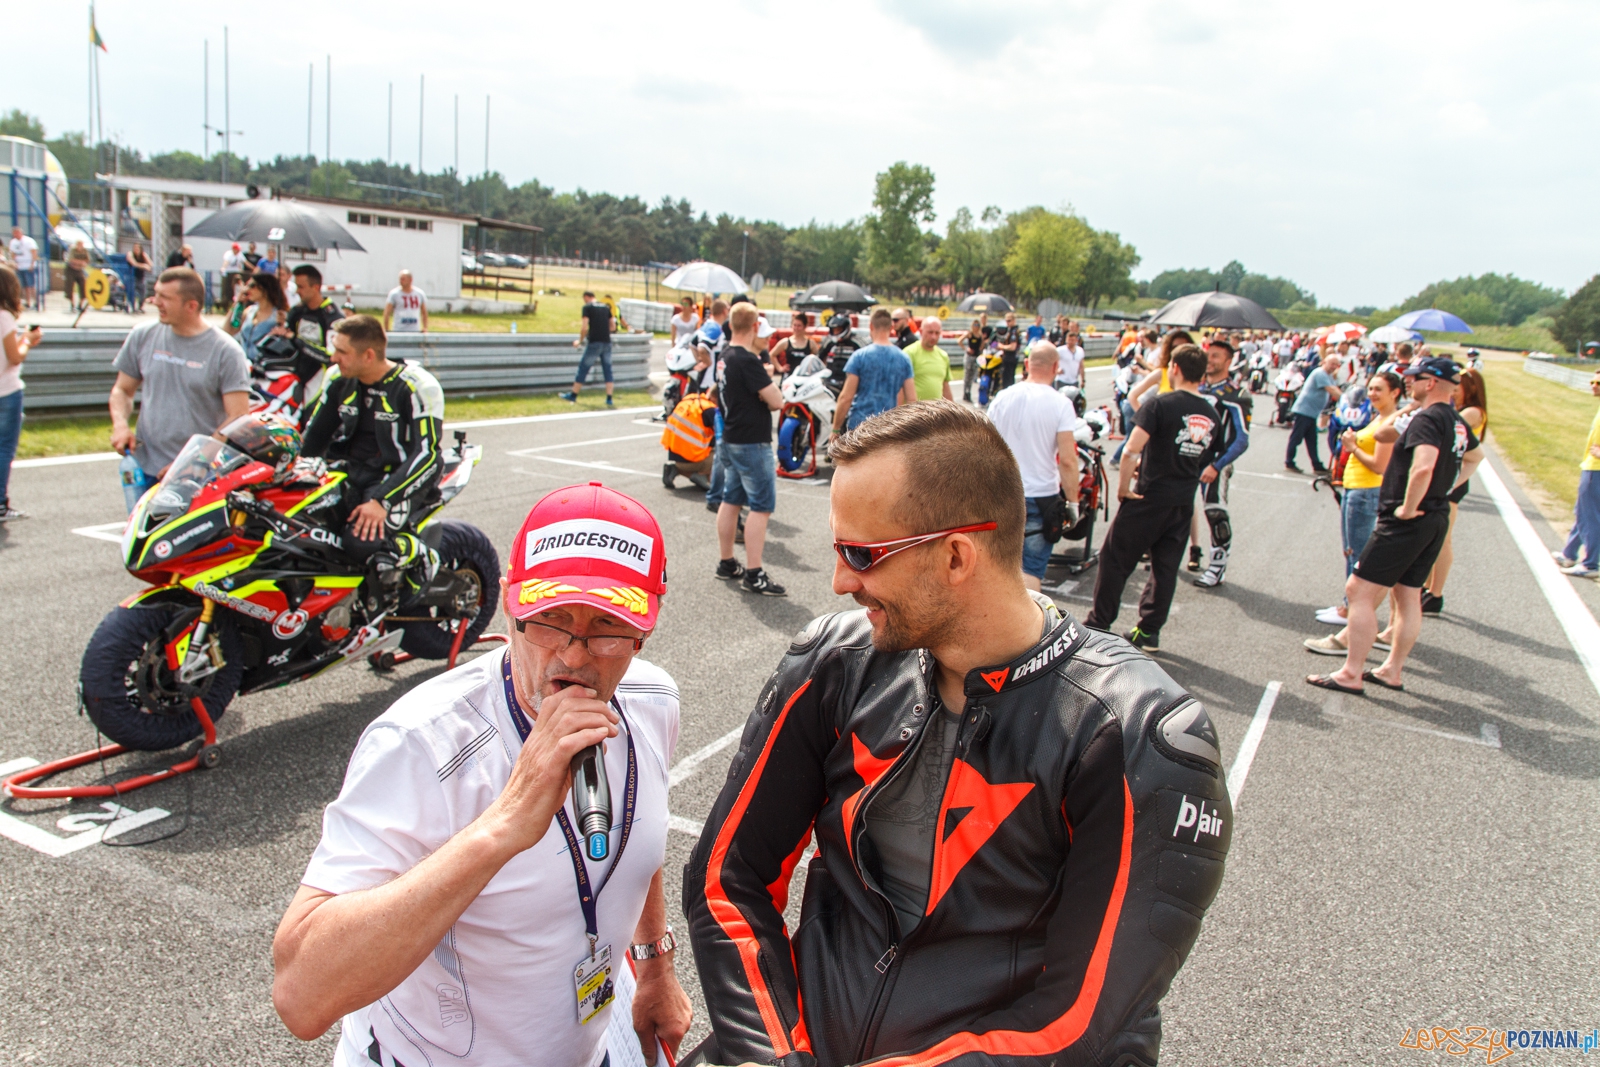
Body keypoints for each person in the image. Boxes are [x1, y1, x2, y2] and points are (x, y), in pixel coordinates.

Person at [682, 399, 1230, 1067]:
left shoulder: (1133, 732)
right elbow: (726, 876)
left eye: (862, 552)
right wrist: (771, 1055)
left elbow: (1083, 1024)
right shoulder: (837, 662)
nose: (838, 580)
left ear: (956, 556)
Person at [272, 483, 691, 1067]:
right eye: (548, 619)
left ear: (646, 626)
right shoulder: (420, 743)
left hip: (591, 1043)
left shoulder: (652, 699)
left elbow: (640, 844)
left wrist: (652, 967)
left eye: (608, 627)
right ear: (509, 604)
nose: (573, 655)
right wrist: (502, 826)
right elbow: (301, 994)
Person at [1307, 358, 1483, 695]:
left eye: (1415, 379)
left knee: (1359, 589)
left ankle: (1351, 672)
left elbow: (1422, 467)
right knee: (1408, 594)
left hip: (1407, 519)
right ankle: (1392, 669)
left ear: (1429, 383)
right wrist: (1443, 491)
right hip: (1436, 516)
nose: (1410, 384)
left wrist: (1408, 506)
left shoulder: (1429, 418)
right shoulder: (1455, 420)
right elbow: (1475, 458)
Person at [298, 316, 445, 602]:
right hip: (347, 472)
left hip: (394, 479)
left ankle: (421, 555)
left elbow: (427, 455)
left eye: (341, 351)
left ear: (368, 355)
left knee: (358, 544)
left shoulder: (416, 386)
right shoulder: (338, 378)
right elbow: (313, 437)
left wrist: (382, 501)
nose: (333, 357)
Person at [1084, 344, 1220, 652]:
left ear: (1175, 368)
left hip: (1149, 494)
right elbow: (1206, 456)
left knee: (1115, 558)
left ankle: (1098, 624)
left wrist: (1123, 486)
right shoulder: (1211, 413)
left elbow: (1131, 448)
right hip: (1183, 498)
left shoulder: (1160, 404)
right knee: (1165, 567)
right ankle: (1149, 630)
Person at [109, 268, 252, 500]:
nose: (156, 302)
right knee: (141, 536)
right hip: (145, 467)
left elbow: (237, 416)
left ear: (191, 306)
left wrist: (191, 463)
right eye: (156, 294)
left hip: (197, 476)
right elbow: (122, 390)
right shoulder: (142, 335)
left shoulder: (225, 351)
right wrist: (120, 425)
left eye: (165, 298)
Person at [1305, 369, 1404, 656]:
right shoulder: (1379, 417)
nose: (1372, 394)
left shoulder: (1390, 422)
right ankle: (1348, 607)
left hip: (1366, 491)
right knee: (1352, 552)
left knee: (1359, 556)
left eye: (1378, 390)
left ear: (1395, 393)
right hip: (1356, 489)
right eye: (1370, 389)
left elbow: (1379, 465)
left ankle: (1352, 612)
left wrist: (1352, 447)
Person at [987, 340, 1080, 590]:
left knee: (997, 566)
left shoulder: (1002, 398)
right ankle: (1029, 629)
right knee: (1030, 571)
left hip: (1002, 493)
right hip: (1040, 495)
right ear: (1056, 367)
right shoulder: (1061, 404)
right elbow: (1068, 461)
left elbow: (985, 447)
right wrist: (1073, 502)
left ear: (1027, 364)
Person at [709, 303, 786, 596]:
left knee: (731, 500)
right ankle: (754, 573)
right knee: (761, 507)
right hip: (752, 440)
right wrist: (768, 378)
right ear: (754, 327)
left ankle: (726, 561)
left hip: (729, 437)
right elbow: (776, 400)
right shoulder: (747, 360)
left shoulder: (725, 356)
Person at [1421, 367, 1488, 613]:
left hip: (1454, 478)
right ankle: (1427, 586)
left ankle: (1435, 593)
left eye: (1457, 388)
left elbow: (1450, 425)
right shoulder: (1460, 411)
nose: (1453, 393)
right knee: (1432, 536)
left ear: (1469, 388)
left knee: (1443, 538)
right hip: (1447, 473)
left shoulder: (1472, 412)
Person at [1189, 337, 1251, 587]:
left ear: (1228, 360)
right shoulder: (1198, 387)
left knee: (1215, 512)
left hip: (1215, 463)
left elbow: (1242, 439)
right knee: (1179, 509)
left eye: (1216, 356)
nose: (1210, 360)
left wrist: (1216, 466)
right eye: (1208, 355)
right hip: (1190, 459)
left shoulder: (1237, 394)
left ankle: (1217, 567)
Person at [0, 266, 41, 521]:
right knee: (4, 449)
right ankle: (1, 505)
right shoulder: (4, 316)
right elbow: (14, 357)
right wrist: (27, 340)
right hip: (6, 391)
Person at [834, 307, 915, 433]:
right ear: (891, 328)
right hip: (888, 427)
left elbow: (846, 397)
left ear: (871, 326)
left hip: (860, 425)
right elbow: (911, 399)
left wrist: (835, 429)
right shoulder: (904, 358)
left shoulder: (859, 356)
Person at [1554, 369, 1600, 579]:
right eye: (1592, 381)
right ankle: (1569, 553)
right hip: (1591, 466)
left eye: (1597, 382)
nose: (1593, 385)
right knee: (1582, 511)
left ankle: (1590, 563)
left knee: (1589, 516)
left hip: (1595, 468)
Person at [1285, 352, 1341, 473]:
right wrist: (1346, 400)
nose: (1334, 367)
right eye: (1332, 364)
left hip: (1312, 412)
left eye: (1336, 365)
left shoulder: (1329, 375)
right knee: (1297, 437)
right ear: (1325, 362)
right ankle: (1289, 462)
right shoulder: (1320, 373)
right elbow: (1331, 390)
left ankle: (1317, 465)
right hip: (1304, 410)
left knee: (1312, 440)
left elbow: (1335, 388)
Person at [277, 264, 344, 362]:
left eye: (301, 287)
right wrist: (280, 326)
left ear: (316, 288)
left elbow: (330, 357)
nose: (297, 291)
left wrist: (297, 341)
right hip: (296, 369)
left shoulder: (333, 317)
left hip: (321, 372)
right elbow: (286, 337)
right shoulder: (297, 310)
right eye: (296, 286)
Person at [224, 271, 290, 364]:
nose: (248, 290)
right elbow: (228, 331)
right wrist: (236, 304)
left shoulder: (279, 315)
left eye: (252, 286)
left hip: (263, 366)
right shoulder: (249, 311)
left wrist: (282, 325)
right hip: (244, 365)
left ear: (264, 289)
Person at [563, 291, 615, 407]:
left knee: (583, 368)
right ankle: (609, 398)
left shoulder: (587, 307)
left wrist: (580, 341)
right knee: (608, 370)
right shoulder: (605, 307)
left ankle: (573, 395)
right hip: (606, 342)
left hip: (594, 342)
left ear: (586, 297)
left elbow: (584, 327)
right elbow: (613, 326)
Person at [661, 389, 718, 490]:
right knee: (724, 457)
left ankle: (679, 469)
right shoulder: (709, 409)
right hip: (692, 460)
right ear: (715, 398)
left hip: (674, 455)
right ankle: (698, 475)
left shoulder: (689, 399)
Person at [902, 315, 953, 401]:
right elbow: (900, 387)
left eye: (937, 333)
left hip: (935, 412)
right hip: (913, 412)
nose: (934, 337)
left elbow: (945, 386)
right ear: (921, 331)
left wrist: (953, 411)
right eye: (930, 332)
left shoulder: (943, 356)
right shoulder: (909, 353)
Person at [383, 269, 429, 334]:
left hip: (415, 331)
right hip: (398, 330)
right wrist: (387, 330)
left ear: (410, 280)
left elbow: (424, 312)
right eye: (400, 279)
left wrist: (425, 327)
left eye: (403, 279)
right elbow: (387, 313)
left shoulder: (419, 294)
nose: (400, 281)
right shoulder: (394, 294)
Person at [769, 311, 815, 375]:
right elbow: (771, 355)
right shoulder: (786, 342)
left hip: (804, 377)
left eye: (799, 326)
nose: (796, 328)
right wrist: (780, 368)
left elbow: (818, 358)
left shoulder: (811, 344)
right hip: (789, 377)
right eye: (794, 325)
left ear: (805, 326)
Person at [960, 315, 990, 403]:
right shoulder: (969, 334)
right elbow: (959, 341)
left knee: (973, 375)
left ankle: (969, 391)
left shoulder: (980, 336)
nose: (976, 327)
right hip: (969, 357)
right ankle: (965, 392)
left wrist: (982, 344)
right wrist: (966, 349)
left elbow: (982, 346)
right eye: (975, 325)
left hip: (976, 357)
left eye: (977, 325)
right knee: (967, 375)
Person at [8, 228, 38, 308]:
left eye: (17, 233)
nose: (15, 235)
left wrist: (32, 264)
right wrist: (14, 263)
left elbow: (34, 252)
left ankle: (35, 302)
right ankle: (27, 302)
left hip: (28, 266)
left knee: (30, 285)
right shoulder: (13, 242)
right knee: (23, 286)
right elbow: (12, 253)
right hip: (19, 266)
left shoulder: (29, 241)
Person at [995, 310, 1022, 390]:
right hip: (1009, 357)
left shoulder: (1014, 331)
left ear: (1014, 320)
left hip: (1010, 358)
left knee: (1007, 381)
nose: (1007, 323)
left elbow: (1013, 347)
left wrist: (1001, 346)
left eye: (1009, 321)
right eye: (1006, 321)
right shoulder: (1010, 330)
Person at [64, 240, 91, 311]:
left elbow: (87, 260)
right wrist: (81, 262)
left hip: (79, 270)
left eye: (81, 245)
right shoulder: (73, 250)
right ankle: (72, 304)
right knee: (69, 286)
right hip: (70, 269)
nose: (80, 246)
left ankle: (80, 304)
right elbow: (71, 260)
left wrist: (80, 263)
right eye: (79, 245)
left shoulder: (84, 251)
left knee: (83, 285)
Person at [127, 243, 153, 309]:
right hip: (131, 277)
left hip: (141, 277)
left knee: (142, 292)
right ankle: (132, 307)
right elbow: (134, 264)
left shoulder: (143, 255)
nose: (136, 250)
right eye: (135, 248)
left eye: (138, 248)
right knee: (132, 292)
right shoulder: (130, 254)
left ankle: (140, 307)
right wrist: (144, 266)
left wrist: (148, 265)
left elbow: (150, 264)